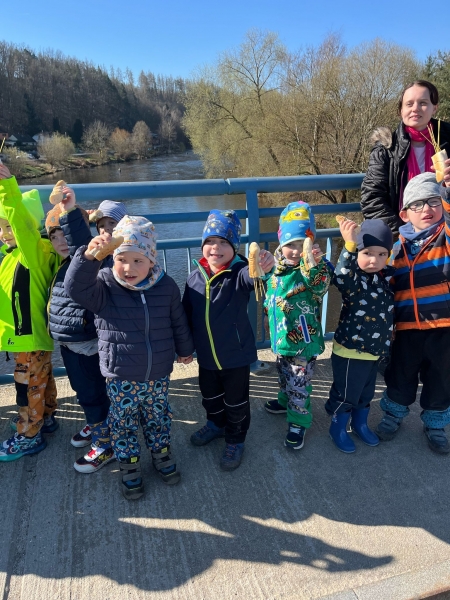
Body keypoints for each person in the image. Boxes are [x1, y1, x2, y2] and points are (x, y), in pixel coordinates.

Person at [65, 215, 194, 499]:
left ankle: (161, 453)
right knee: (123, 422)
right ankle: (129, 463)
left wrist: (185, 349)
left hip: (158, 373)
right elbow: (75, 288)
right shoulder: (104, 285)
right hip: (121, 375)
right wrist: (89, 257)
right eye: (122, 259)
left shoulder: (166, 286)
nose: (129, 268)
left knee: (158, 416)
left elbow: (178, 321)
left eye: (138, 260)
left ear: (151, 260)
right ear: (112, 258)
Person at [182, 209, 274, 471]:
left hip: (236, 356)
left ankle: (235, 439)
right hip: (206, 356)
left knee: (236, 402)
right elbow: (185, 315)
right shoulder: (194, 277)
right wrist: (185, 347)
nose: (216, 248)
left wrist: (263, 267)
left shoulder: (240, 272)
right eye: (210, 241)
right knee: (210, 397)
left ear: (234, 247)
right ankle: (216, 425)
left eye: (224, 242)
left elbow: (254, 278)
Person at [376, 171, 450, 454]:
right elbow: (385, 286)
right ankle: (393, 414)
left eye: (433, 201)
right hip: (406, 329)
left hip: (443, 328)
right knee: (400, 374)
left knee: (441, 379)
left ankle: (435, 423)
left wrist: (447, 191)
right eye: (417, 204)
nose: (426, 209)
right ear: (405, 215)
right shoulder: (395, 249)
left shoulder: (445, 238)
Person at [45, 188, 113, 473]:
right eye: (54, 236)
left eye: (66, 234)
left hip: (86, 342)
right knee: (83, 390)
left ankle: (105, 443)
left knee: (92, 392)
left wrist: (70, 212)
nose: (61, 241)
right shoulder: (61, 265)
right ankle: (96, 425)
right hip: (70, 343)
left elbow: (82, 246)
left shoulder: (85, 261)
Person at [0, 164, 61, 461]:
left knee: (27, 388)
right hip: (33, 336)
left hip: (29, 337)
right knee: (42, 379)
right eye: (0, 227)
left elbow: (21, 223)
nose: (3, 233)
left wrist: (7, 187)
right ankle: (46, 418)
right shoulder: (17, 255)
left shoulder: (31, 252)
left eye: (8, 226)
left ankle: (29, 434)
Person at [263, 201, 332, 450]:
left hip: (303, 341)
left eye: (302, 244)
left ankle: (298, 422)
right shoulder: (276, 269)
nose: (295, 251)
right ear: (281, 245)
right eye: (290, 244)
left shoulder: (316, 269)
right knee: (284, 376)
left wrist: (313, 264)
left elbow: (321, 286)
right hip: (282, 338)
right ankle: (285, 402)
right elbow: (269, 292)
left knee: (299, 386)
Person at [325, 218, 395, 453]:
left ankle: (360, 424)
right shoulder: (354, 280)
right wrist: (349, 246)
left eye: (381, 254)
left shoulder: (386, 279)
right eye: (367, 253)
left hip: (374, 351)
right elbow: (341, 277)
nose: (374, 260)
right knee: (346, 393)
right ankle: (337, 427)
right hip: (350, 351)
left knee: (365, 393)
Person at [70, 198, 126, 448]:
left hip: (117, 333)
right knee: (92, 383)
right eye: (102, 225)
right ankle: (98, 423)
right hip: (93, 332)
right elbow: (76, 244)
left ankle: (108, 427)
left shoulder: (130, 256)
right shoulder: (95, 253)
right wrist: (74, 213)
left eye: (113, 224)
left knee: (113, 384)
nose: (107, 230)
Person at [361, 80, 450, 234]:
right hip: (404, 234)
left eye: (423, 103)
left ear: (434, 108)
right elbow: (372, 199)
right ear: (401, 110)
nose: (415, 108)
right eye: (409, 104)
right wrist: (404, 235)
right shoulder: (386, 148)